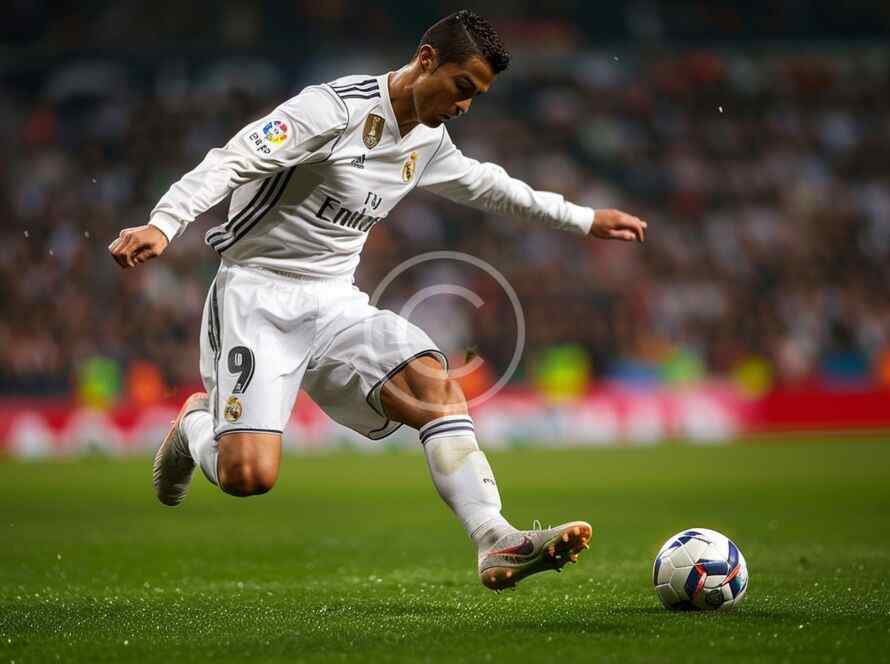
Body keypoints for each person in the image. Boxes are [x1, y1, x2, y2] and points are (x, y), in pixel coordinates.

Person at [108, 10, 647, 591]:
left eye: (476, 95)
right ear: (426, 60)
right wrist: (164, 223)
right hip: (256, 292)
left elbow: (491, 187)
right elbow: (232, 157)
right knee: (248, 476)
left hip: (335, 300)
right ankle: (195, 425)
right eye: (462, 86)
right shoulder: (331, 111)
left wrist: (583, 219)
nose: (465, 105)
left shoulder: (429, 142)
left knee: (436, 387)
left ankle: (495, 538)